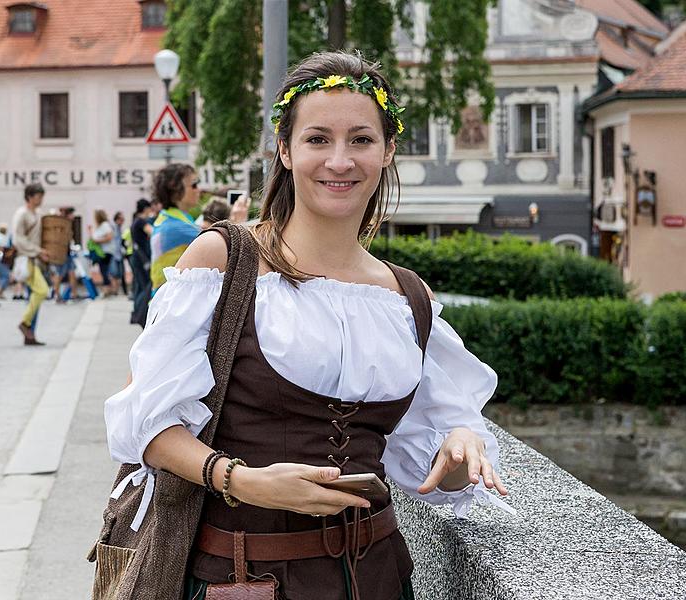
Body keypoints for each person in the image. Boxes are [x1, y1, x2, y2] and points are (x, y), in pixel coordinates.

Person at [103, 52, 511, 600]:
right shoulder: (224, 262)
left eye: (361, 140)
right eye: (318, 139)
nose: (339, 161)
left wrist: (461, 445)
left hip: (379, 578)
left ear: (388, 150)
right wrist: (241, 480)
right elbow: (145, 424)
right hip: (244, 578)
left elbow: (436, 477)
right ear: (285, 149)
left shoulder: (407, 297)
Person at [148, 163, 201, 293]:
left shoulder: (169, 218)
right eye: (193, 185)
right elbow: (222, 243)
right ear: (175, 190)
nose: (198, 189)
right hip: (169, 301)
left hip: (165, 299)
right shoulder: (177, 226)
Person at [12, 183, 50, 346]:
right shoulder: (21, 214)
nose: (41, 199)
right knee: (41, 291)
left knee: (35, 298)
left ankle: (30, 334)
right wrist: (37, 250)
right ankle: (25, 323)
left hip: (36, 259)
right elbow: (18, 239)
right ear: (30, 196)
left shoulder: (39, 214)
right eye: (38, 196)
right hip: (27, 258)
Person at [128, 198, 154, 327]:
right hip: (142, 259)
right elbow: (153, 232)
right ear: (146, 208)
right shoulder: (141, 221)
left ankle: (136, 314)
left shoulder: (134, 221)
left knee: (139, 286)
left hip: (136, 258)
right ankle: (139, 314)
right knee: (145, 288)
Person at [50, 207, 79, 302]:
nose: (73, 216)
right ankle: (57, 295)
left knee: (71, 273)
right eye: (72, 214)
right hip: (62, 253)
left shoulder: (68, 224)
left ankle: (74, 294)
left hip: (68, 253)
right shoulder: (62, 224)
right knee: (60, 274)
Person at [87, 209, 116, 297]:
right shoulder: (101, 226)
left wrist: (97, 241)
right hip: (103, 252)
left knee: (104, 271)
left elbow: (109, 237)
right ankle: (109, 289)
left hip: (105, 252)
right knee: (104, 271)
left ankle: (107, 289)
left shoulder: (105, 225)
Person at [111, 211, 129, 297]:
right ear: (117, 219)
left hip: (119, 255)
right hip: (114, 255)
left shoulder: (119, 229)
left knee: (121, 273)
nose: (122, 222)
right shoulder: (113, 228)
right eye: (121, 219)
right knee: (115, 273)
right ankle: (115, 291)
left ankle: (120, 291)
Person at [0, 223, 12, 299]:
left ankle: (0, 292)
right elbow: (4, 248)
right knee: (6, 276)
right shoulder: (4, 238)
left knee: (2, 276)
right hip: (3, 258)